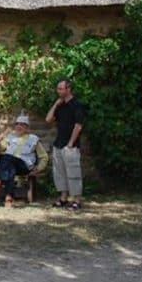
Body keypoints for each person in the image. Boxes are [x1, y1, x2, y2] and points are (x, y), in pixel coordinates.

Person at [0, 114, 49, 207]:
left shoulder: (33, 139)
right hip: (10, 165)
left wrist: (38, 168)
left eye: (22, 124)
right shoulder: (10, 137)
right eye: (17, 124)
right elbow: (2, 149)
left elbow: (44, 156)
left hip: (24, 165)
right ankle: (8, 198)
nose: (19, 126)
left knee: (8, 159)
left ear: (27, 127)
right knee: (10, 167)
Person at [46, 78, 87, 210]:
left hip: (71, 146)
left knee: (73, 173)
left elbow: (79, 125)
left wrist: (70, 143)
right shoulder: (60, 105)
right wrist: (55, 104)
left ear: (68, 89)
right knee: (60, 173)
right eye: (58, 88)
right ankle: (63, 198)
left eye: (61, 88)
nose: (58, 91)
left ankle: (77, 200)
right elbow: (48, 120)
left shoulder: (77, 105)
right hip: (59, 143)